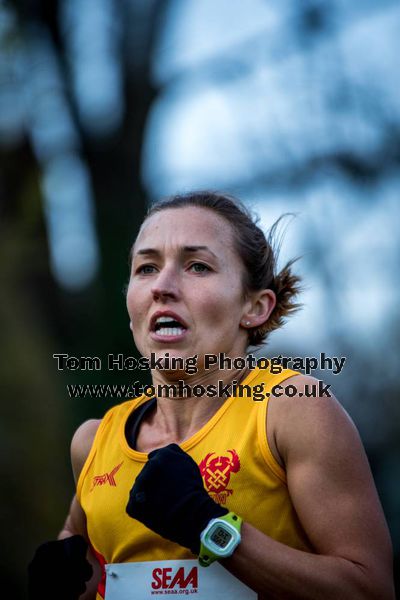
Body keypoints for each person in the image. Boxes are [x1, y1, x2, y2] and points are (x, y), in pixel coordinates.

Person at [28, 191, 395, 599]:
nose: (162, 288)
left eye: (197, 266)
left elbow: (370, 589)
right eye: (146, 268)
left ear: (255, 307)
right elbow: (89, 564)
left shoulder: (293, 411)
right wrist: (64, 580)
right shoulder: (93, 441)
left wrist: (209, 526)